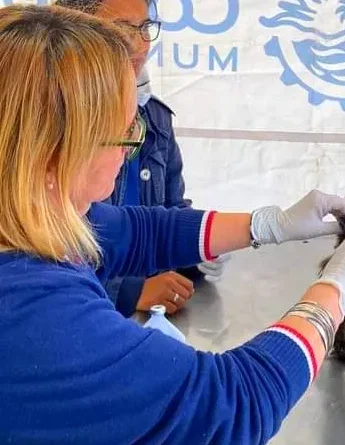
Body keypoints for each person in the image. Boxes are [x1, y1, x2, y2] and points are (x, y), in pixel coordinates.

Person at [0, 5, 345, 444]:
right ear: (54, 154)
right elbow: (232, 405)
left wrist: (269, 225)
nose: (130, 149)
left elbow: (138, 233)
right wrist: (332, 294)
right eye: (124, 134)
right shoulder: (37, 317)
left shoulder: (29, 213)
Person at [56, 0, 222, 318]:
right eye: (121, 28)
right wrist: (129, 291)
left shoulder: (155, 118)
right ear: (72, 31)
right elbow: (42, 257)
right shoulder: (45, 126)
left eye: (145, 27)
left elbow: (169, 213)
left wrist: (201, 248)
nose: (139, 43)